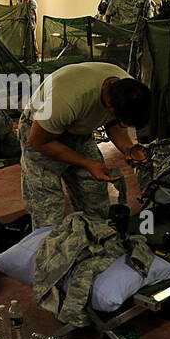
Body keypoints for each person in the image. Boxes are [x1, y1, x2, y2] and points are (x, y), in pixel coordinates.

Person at [20, 61, 152, 230]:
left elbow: (113, 123)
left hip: (79, 133)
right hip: (40, 132)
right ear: (110, 105)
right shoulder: (67, 99)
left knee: (95, 197)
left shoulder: (128, 90)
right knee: (47, 210)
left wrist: (129, 148)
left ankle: (96, 242)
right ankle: (45, 250)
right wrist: (87, 163)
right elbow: (38, 141)